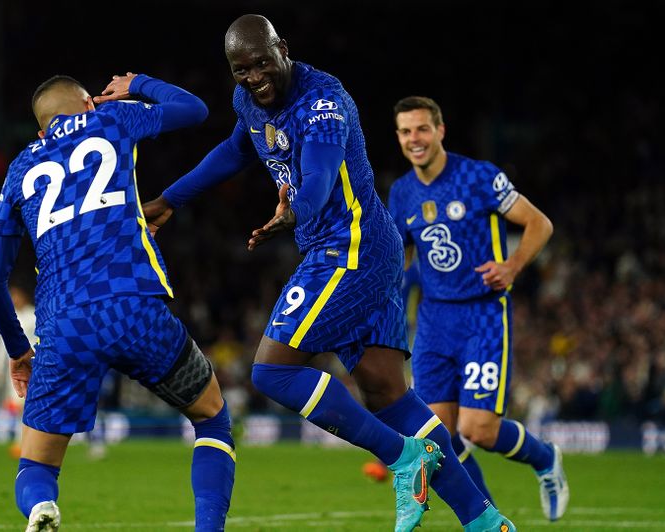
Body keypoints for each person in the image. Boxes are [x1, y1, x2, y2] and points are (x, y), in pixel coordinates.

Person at [142, 14, 515, 532]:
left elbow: (317, 178)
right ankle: (484, 520)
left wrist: (294, 210)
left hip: (350, 249)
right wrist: (168, 199)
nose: (253, 77)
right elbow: (234, 151)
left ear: (284, 49)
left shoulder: (323, 104)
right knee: (387, 392)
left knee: (272, 370)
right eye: (240, 69)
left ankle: (404, 458)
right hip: (365, 247)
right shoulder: (248, 101)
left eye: (261, 63)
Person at [0, 72, 236, 532]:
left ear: (42, 130)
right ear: (89, 105)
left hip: (65, 324)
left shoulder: (19, 169)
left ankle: (41, 508)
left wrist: (20, 351)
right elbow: (194, 108)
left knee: (36, 467)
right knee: (213, 418)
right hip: (133, 306)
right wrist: (136, 82)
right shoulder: (111, 119)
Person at [387, 95, 569, 521]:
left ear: (440, 130)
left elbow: (539, 223)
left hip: (482, 316)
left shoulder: (479, 177)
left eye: (422, 129)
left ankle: (545, 460)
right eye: (406, 131)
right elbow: (403, 258)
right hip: (433, 320)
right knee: (437, 438)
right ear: (398, 137)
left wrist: (512, 266)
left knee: (478, 430)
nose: (415, 139)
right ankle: (489, 521)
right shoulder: (401, 192)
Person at [0, 286, 36, 458]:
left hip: (34, 366)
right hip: (14, 368)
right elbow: (1, 345)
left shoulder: (34, 315)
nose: (14, 299)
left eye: (16, 295)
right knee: (18, 407)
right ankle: (22, 442)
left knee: (28, 405)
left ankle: (29, 442)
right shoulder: (8, 317)